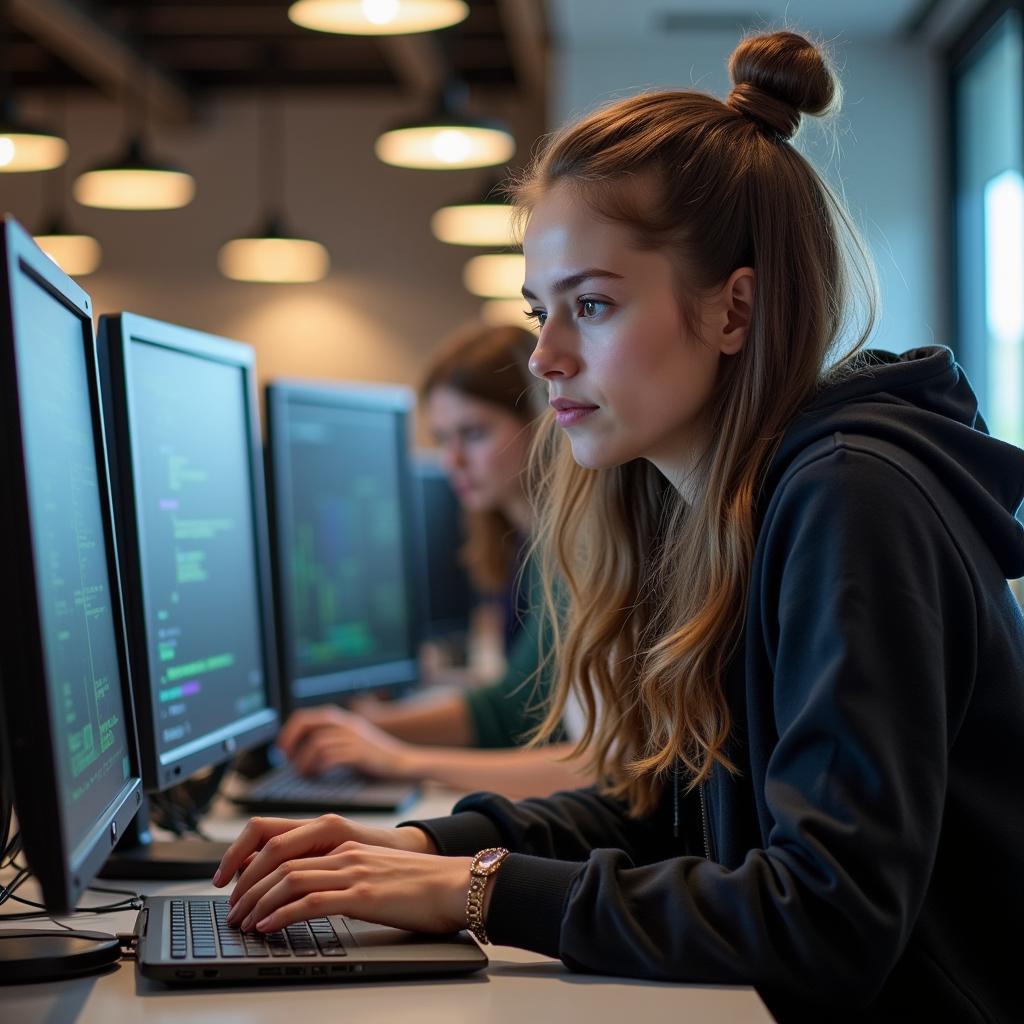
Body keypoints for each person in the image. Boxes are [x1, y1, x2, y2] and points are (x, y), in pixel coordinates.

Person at [215, 30, 1024, 1021]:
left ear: (735, 309)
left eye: (589, 306)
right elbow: (673, 810)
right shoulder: (718, 503)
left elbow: (829, 913)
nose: (545, 357)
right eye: (538, 310)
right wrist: (435, 845)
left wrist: (479, 891)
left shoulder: (848, 498)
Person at [277, 323, 590, 799]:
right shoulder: (523, 543)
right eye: (444, 439)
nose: (453, 461)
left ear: (542, 418)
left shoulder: (582, 549)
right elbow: (509, 708)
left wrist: (397, 755)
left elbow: (580, 755)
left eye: (474, 434)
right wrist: (373, 727)